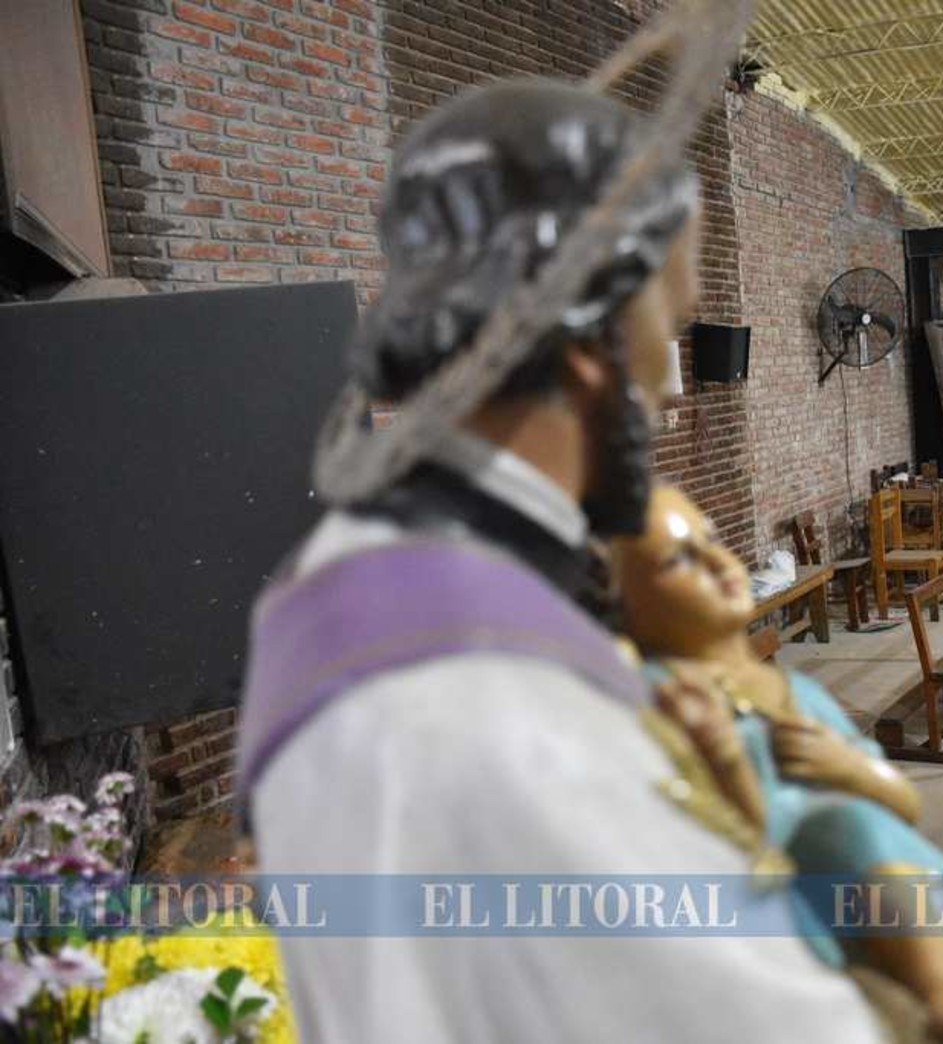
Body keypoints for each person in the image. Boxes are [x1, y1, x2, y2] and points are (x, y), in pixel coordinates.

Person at [235, 76, 885, 1042]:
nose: (674, 393)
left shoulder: (347, 572)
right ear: (586, 355)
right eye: (664, 337)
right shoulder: (498, 683)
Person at [614, 485, 943, 1042]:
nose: (716, 562)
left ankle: (941, 978)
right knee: (846, 826)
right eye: (679, 559)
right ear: (624, 605)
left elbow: (905, 804)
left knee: (859, 824)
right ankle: (938, 982)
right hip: (784, 926)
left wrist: (850, 770)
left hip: (882, 906)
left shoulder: (795, 691)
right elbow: (705, 848)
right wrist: (724, 756)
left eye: (711, 540)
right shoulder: (660, 700)